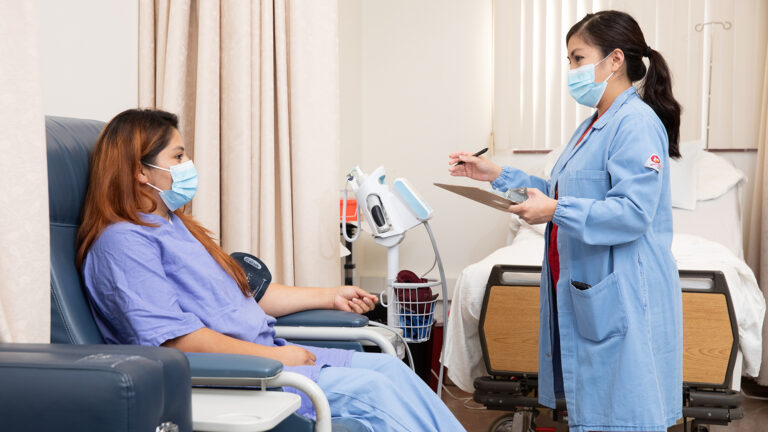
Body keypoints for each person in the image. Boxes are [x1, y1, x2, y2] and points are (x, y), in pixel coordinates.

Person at [77, 108, 465, 432]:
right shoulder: (123, 243)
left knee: (388, 368)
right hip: (235, 375)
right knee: (375, 391)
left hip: (262, 355)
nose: (188, 165)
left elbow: (246, 297)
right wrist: (279, 361)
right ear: (140, 172)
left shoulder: (174, 225)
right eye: (177, 157)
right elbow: (174, 343)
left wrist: (330, 296)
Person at [449, 10, 682, 432]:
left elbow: (633, 212)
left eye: (577, 58)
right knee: (596, 413)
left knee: (625, 414)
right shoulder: (590, 128)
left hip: (623, 292)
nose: (571, 70)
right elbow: (560, 192)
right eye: (569, 60)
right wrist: (496, 174)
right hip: (583, 285)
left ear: (614, 60)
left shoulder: (636, 124)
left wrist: (556, 211)